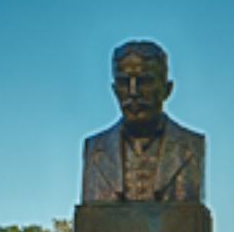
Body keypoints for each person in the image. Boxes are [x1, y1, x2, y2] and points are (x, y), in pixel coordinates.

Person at [82, 40, 204, 204]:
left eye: (145, 82)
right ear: (115, 90)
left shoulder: (190, 145)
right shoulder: (95, 149)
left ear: (167, 90)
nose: (133, 93)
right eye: (124, 83)